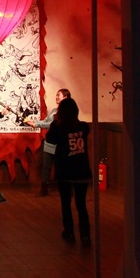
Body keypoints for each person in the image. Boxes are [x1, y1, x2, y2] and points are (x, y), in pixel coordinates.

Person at [45, 97, 93, 247]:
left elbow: (50, 140)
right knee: (81, 204)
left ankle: (69, 232)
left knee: (65, 203)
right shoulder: (83, 127)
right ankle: (85, 236)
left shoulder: (58, 127)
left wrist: (55, 122)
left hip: (65, 170)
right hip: (82, 169)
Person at [24, 88, 72, 196]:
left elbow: (52, 124)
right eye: (56, 95)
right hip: (49, 142)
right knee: (46, 166)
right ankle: (44, 189)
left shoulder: (67, 112)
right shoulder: (54, 110)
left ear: (65, 97)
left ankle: (68, 189)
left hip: (61, 144)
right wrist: (33, 122)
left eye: (58, 95)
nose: (56, 97)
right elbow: (46, 121)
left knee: (63, 167)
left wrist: (36, 124)